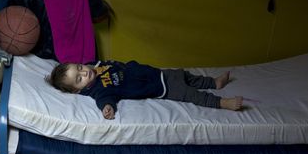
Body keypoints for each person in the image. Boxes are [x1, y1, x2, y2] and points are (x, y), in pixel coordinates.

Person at [47, 60, 243, 119]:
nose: (84, 72)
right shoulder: (99, 90)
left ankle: (214, 83)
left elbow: (113, 64)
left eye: (79, 68)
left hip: (158, 73)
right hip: (159, 87)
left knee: (187, 76)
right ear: (78, 91)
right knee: (189, 93)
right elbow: (105, 100)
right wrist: (107, 108)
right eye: (79, 79)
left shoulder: (96, 65)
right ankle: (222, 103)